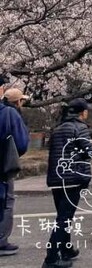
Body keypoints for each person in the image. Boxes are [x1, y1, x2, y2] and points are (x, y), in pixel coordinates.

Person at [43, 99, 92, 268]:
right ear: (82, 112)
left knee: (63, 216)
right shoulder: (80, 128)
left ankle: (66, 249)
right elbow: (90, 152)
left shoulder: (58, 128)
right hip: (73, 178)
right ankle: (51, 258)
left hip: (56, 178)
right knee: (64, 218)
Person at [0, 89, 29, 256]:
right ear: (18, 102)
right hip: (4, 166)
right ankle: (2, 240)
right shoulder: (10, 114)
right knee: (6, 202)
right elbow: (22, 143)